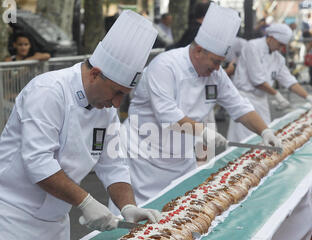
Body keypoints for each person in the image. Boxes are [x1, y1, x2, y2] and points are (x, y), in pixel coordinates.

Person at [0, 10, 161, 240]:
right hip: (8, 217)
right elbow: (38, 163)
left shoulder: (105, 108)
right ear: (95, 74)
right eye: (116, 92)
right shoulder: (48, 91)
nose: (117, 103)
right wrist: (85, 202)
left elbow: (113, 164)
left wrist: (128, 205)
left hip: (53, 220)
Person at [111, 3, 283, 211]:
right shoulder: (165, 66)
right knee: (137, 231)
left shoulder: (215, 73)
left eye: (222, 62)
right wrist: (204, 133)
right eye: (215, 61)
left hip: (181, 157)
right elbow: (168, 116)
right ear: (199, 50)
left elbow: (239, 106)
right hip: (143, 159)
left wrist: (264, 131)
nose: (218, 68)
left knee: (181, 215)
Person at [227, 23, 312, 143]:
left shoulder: (278, 58)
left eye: (283, 45)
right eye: (280, 44)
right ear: (271, 37)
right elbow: (257, 80)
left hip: (261, 100)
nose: (280, 48)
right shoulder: (252, 47)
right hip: (245, 99)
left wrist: (309, 97)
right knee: (243, 140)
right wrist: (277, 95)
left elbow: (289, 81)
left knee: (265, 137)